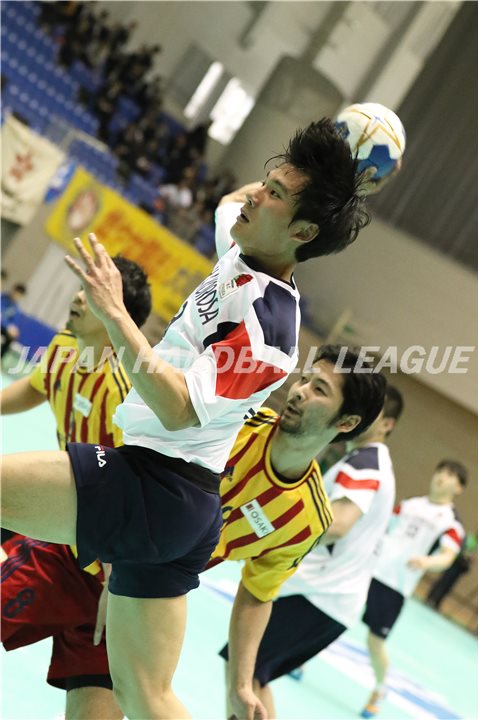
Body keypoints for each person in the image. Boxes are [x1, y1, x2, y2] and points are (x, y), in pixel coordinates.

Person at [1, 118, 370, 719]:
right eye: (266, 182)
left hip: (157, 486)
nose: (256, 195)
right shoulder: (245, 252)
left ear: (302, 232)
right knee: (146, 696)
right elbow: (231, 204)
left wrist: (116, 314)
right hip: (179, 508)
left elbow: (176, 408)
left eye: (275, 194)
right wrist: (335, 168)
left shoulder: (269, 332)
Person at [1, 256, 151, 720]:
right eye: (81, 286)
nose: (78, 296)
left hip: (118, 572)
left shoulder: (130, 392)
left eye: (93, 291)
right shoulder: (66, 347)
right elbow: (37, 386)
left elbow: (138, 496)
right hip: (68, 541)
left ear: (117, 313)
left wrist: (118, 584)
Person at [210, 345, 386, 720]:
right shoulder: (233, 420)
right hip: (106, 544)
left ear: (347, 423)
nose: (300, 390)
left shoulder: (308, 518)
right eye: (304, 379)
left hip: (325, 595)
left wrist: (240, 685)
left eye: (319, 389)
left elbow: (258, 592)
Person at [360, 459, 467, 719]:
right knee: (332, 616)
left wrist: (427, 562)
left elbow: (447, 556)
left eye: (450, 475)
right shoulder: (410, 505)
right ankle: (299, 660)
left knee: (375, 642)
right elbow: (383, 528)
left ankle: (380, 688)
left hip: (395, 585)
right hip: (369, 570)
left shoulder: (451, 523)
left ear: (459, 488)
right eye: (440, 471)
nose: (442, 477)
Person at [426, 530, 478, 609]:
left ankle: (437, 601)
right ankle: (431, 598)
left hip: (460, 567)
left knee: (449, 585)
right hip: (454, 562)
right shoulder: (470, 538)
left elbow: (473, 556)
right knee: (444, 580)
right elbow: (460, 548)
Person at [1, 282, 27, 358]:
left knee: (11, 337)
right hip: (3, 325)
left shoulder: (16, 308)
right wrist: (8, 326)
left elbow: (14, 323)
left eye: (19, 295)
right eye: (16, 293)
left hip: (3, 327)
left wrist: (13, 330)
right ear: (13, 290)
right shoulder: (2, 298)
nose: (17, 296)